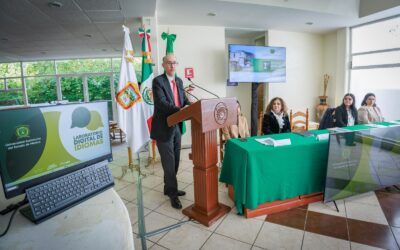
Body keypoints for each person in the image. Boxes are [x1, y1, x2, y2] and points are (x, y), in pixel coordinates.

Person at [151, 54, 191, 209]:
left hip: (176, 127)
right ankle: (173, 194)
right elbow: (161, 103)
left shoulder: (179, 81)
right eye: (169, 63)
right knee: (168, 164)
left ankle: (168, 188)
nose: (172, 65)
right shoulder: (158, 81)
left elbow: (183, 99)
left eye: (174, 63)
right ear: (163, 65)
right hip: (163, 127)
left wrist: (191, 104)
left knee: (174, 162)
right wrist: (181, 110)